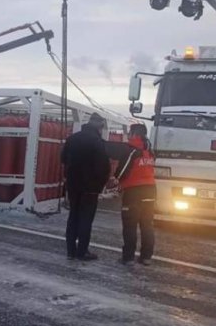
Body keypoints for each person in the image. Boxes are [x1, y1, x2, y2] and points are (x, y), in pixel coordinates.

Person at [61, 113, 111, 261]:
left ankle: (71, 251)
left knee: (73, 216)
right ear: (99, 126)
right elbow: (104, 167)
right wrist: (100, 185)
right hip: (90, 187)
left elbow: (63, 159)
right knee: (85, 219)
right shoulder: (98, 142)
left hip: (73, 185)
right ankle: (82, 251)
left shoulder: (72, 139)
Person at [114, 123, 156, 266]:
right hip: (150, 190)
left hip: (134, 192)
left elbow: (121, 172)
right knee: (147, 225)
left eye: (130, 132)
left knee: (130, 225)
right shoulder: (150, 151)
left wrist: (115, 180)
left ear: (135, 134)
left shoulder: (132, 150)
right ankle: (146, 257)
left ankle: (128, 257)